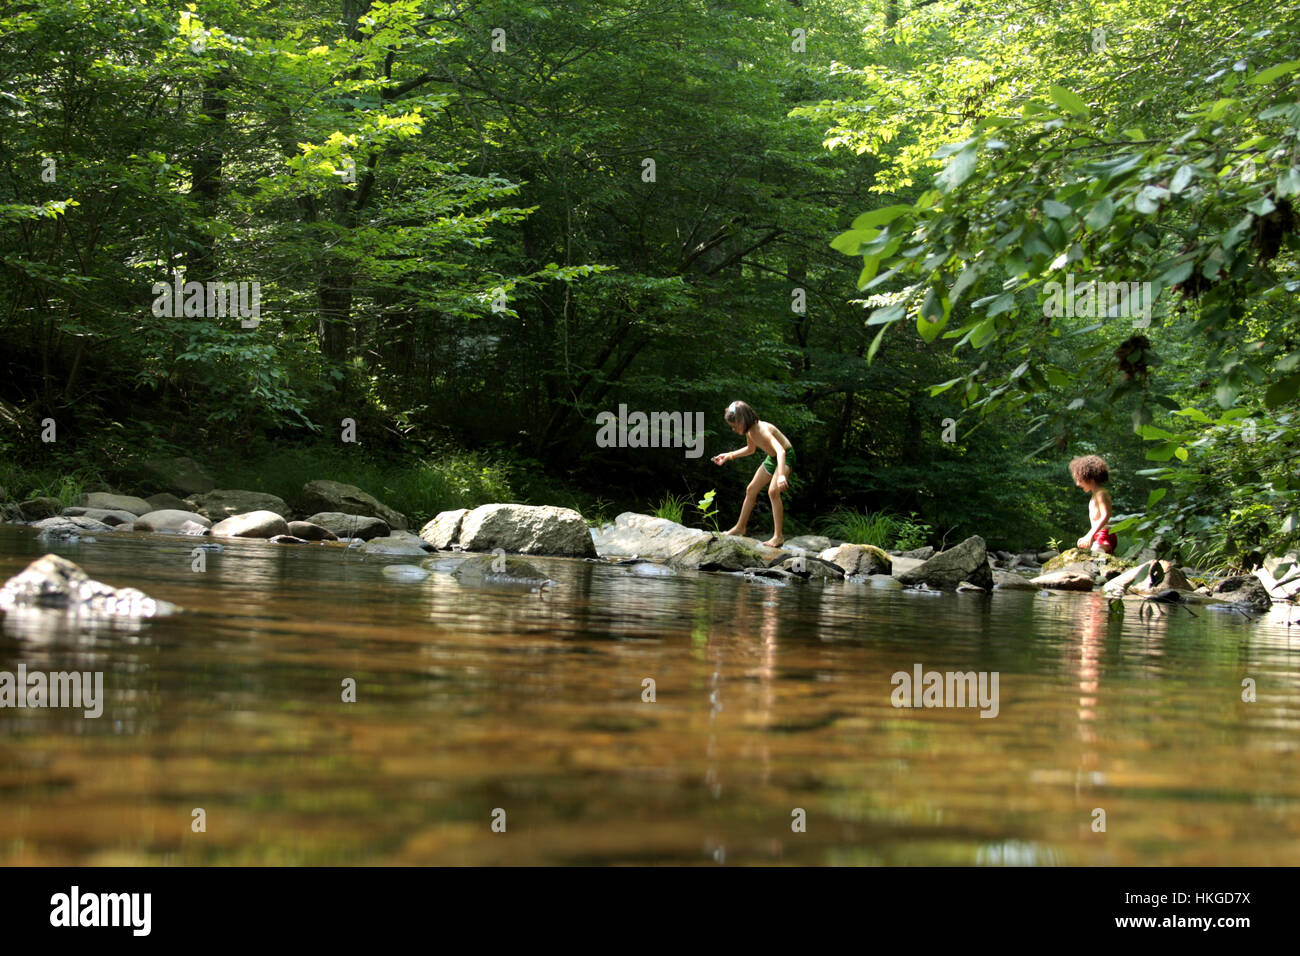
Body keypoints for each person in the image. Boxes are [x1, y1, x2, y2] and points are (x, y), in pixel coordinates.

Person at [711, 400, 795, 547]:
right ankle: (740, 527)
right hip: (772, 458)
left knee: (773, 492)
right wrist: (729, 456)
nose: (733, 429)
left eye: (734, 426)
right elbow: (750, 450)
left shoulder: (763, 429)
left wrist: (781, 475)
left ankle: (778, 536)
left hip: (785, 456)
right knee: (751, 489)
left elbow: (781, 451)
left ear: (742, 420)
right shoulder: (750, 431)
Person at [1070, 454, 1116, 554]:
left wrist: (1089, 536)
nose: (1078, 484)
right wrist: (1088, 537)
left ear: (1090, 479)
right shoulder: (1094, 496)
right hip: (1098, 535)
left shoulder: (1101, 494)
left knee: (1096, 555)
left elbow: (1106, 515)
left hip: (1105, 535)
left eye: (1080, 479)